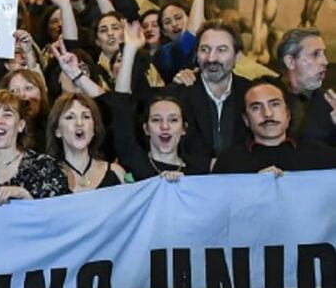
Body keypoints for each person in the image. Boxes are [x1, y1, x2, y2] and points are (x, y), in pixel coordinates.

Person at [214, 79, 336, 174]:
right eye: (256, 107)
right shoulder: (229, 162)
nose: (267, 114)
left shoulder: (320, 155)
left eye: (275, 104)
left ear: (288, 114)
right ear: (246, 119)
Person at [168, 20, 251, 158]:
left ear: (238, 56)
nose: (211, 58)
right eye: (204, 50)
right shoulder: (178, 93)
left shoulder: (250, 93)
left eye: (221, 50)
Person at [0, 90, 68, 203]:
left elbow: (60, 215)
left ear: (21, 125)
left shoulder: (45, 167)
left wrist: (26, 197)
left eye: (7, 115)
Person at [111, 93, 211, 181]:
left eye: (173, 120)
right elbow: (120, 103)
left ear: (183, 129)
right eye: (156, 120)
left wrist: (186, 184)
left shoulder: (198, 172)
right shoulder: (133, 163)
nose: (165, 126)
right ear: (146, 129)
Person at [47, 93, 127, 192]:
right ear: (57, 131)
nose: (79, 123)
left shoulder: (117, 173)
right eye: (70, 117)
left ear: (94, 129)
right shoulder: (47, 179)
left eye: (86, 116)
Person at [276, 27, 335, 146]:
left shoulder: (330, 104)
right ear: (290, 61)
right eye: (315, 54)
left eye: (324, 54)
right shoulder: (261, 95)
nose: (325, 61)